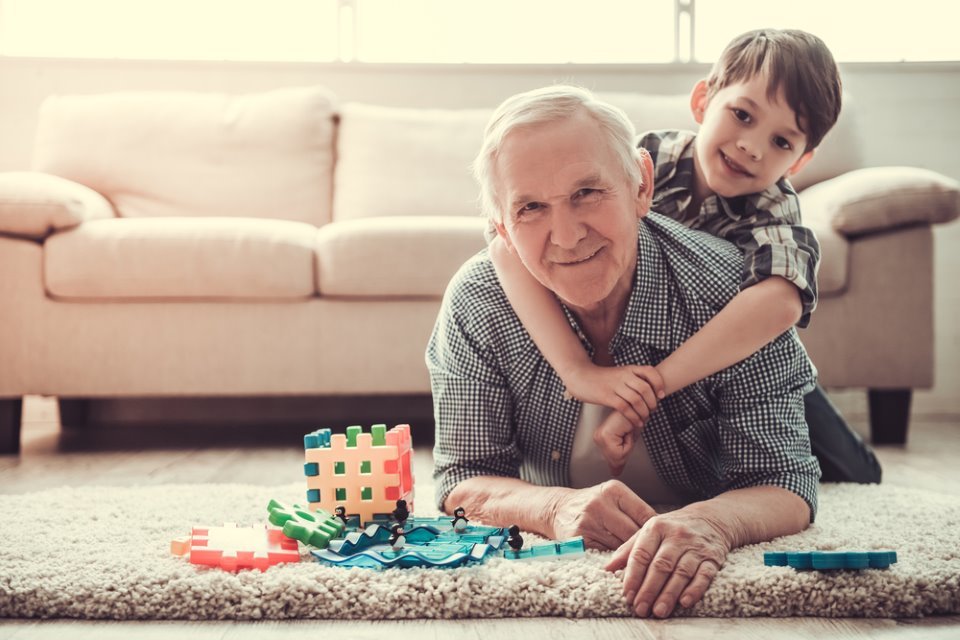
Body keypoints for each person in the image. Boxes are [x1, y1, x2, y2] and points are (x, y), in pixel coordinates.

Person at [427, 84, 820, 618]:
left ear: (641, 185)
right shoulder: (479, 303)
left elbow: (784, 480)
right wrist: (554, 507)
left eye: (587, 193)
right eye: (531, 208)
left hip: (776, 399)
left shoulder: (734, 299)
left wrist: (710, 522)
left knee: (841, 458)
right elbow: (462, 478)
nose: (565, 236)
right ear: (501, 226)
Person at [488, 29, 881, 483]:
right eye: (742, 115)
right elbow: (504, 246)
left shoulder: (775, 206)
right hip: (651, 338)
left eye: (781, 142)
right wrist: (575, 369)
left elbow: (781, 304)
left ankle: (857, 464)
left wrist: (656, 385)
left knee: (846, 468)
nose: (751, 146)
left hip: (742, 359)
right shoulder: (649, 156)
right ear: (702, 102)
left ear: (798, 163)